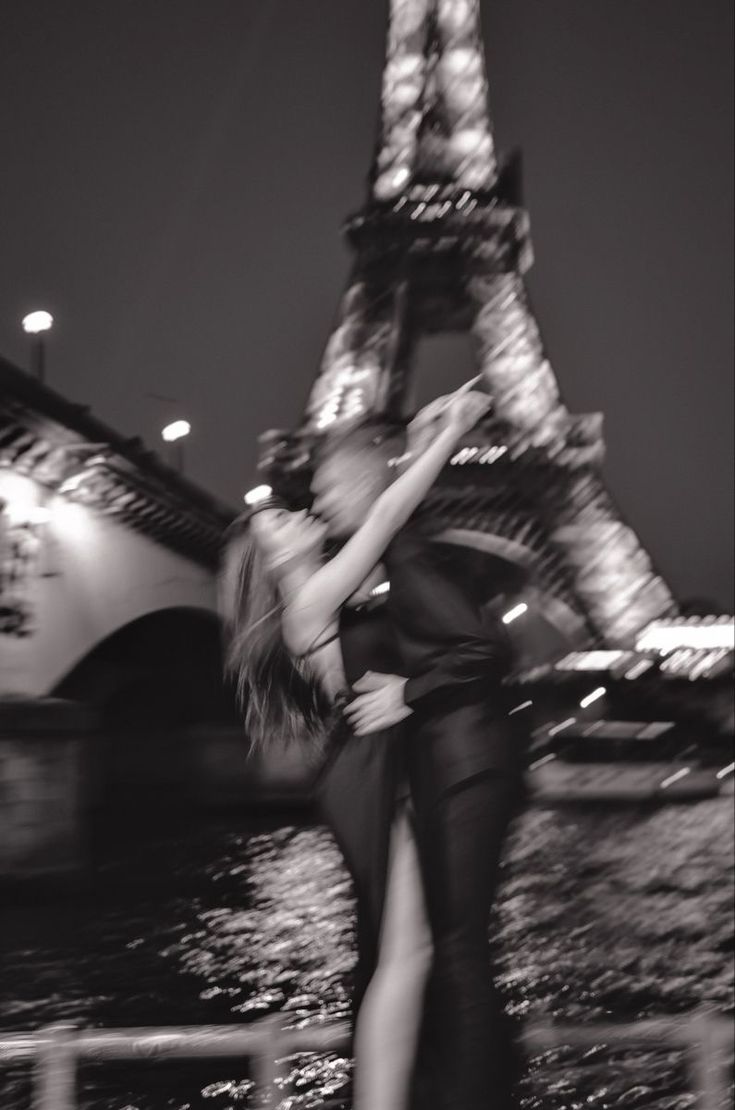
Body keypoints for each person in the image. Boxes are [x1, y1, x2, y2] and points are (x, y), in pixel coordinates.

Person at [221, 386, 491, 1110]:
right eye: (277, 520)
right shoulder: (309, 601)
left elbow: (386, 521)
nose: (297, 512)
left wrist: (415, 431)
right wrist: (448, 436)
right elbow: (388, 511)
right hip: (363, 770)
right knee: (407, 952)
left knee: (408, 949)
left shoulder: (330, 594)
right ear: (272, 559)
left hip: (370, 764)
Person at [310, 414, 529, 1110]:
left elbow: (485, 650)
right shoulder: (391, 558)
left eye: (325, 485)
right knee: (450, 949)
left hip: (465, 768)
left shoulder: (405, 556)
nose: (318, 501)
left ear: (364, 480)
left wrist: (409, 691)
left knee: (459, 950)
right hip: (455, 767)